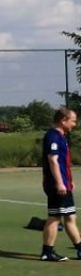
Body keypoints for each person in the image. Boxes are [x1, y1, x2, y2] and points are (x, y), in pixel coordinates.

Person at [40, 107, 81, 262]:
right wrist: (60, 183)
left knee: (70, 216)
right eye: (73, 121)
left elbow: (63, 163)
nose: (75, 124)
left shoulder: (61, 137)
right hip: (57, 186)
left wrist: (69, 181)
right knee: (55, 217)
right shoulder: (53, 136)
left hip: (64, 184)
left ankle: (79, 249)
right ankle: (47, 252)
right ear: (63, 120)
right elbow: (53, 160)